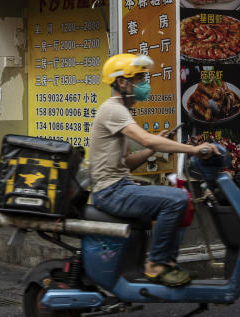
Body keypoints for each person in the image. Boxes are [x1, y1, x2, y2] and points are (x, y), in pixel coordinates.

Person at [89, 53, 219, 287]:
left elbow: (126, 162)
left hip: (119, 185)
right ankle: (156, 263)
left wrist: (152, 150)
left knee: (180, 198)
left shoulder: (121, 111)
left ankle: (166, 262)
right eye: (139, 80)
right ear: (122, 82)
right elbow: (147, 140)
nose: (144, 85)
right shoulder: (114, 109)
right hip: (111, 191)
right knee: (177, 199)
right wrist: (193, 149)